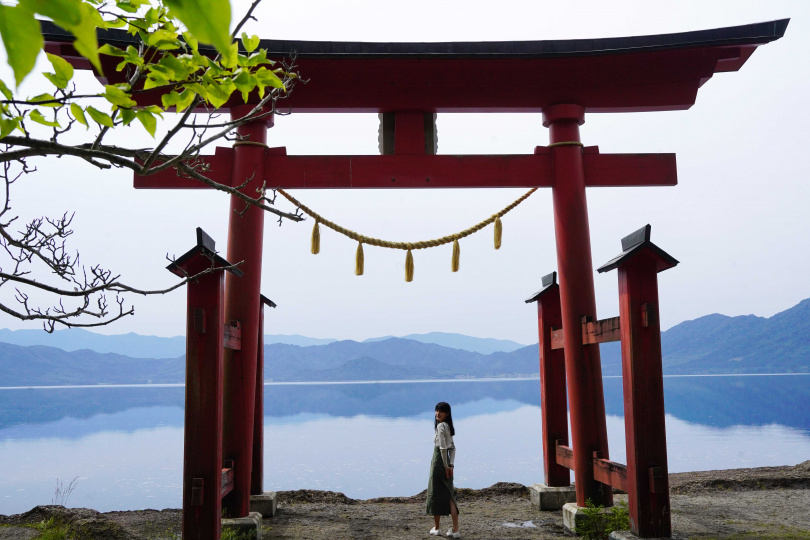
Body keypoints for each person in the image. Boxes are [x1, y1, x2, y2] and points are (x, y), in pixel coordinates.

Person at [426, 401, 460, 538]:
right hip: (446, 463)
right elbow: (453, 449)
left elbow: (443, 448)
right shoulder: (448, 427)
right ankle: (455, 529)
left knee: (435, 493)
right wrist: (451, 465)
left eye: (440, 411)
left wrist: (446, 466)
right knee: (449, 494)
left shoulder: (441, 426)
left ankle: (437, 527)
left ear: (447, 413)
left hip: (439, 462)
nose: (437, 413)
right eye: (436, 411)